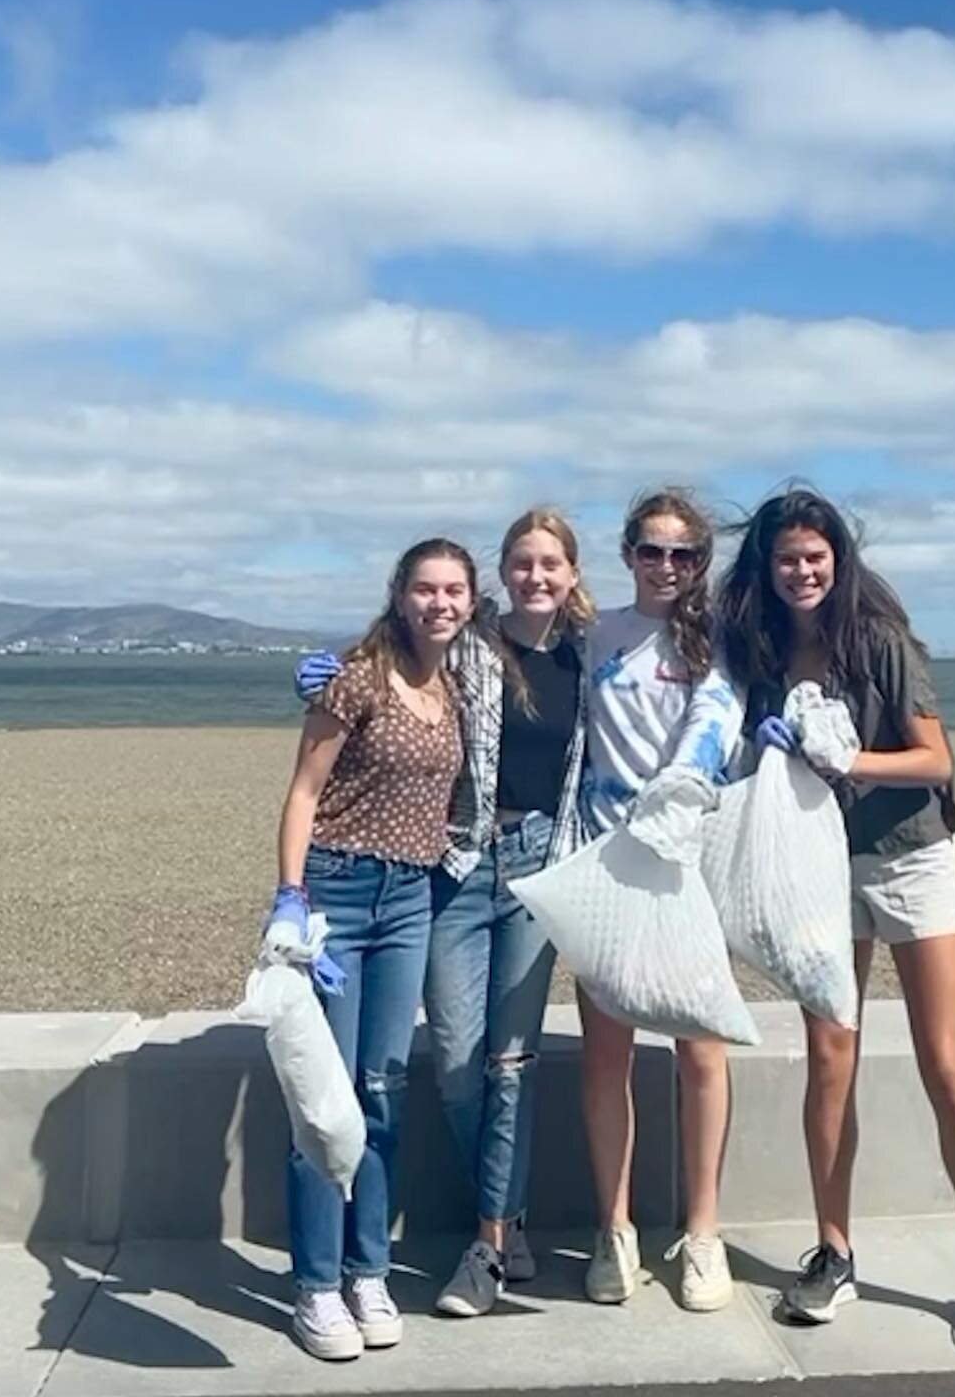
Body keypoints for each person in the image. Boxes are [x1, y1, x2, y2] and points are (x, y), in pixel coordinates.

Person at [714, 488, 955, 1355]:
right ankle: (835, 1250)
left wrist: (846, 756)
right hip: (818, 867)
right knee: (829, 1057)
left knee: (944, 1061)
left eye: (815, 557)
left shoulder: (878, 640)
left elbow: (935, 759)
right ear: (765, 568)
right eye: (786, 559)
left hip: (912, 858)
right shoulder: (762, 649)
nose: (802, 571)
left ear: (838, 560)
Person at [296, 509, 594, 1319]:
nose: (537, 577)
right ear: (503, 575)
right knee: (460, 1065)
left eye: (552, 565)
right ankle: (510, 1207)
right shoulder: (469, 645)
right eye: (523, 564)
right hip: (457, 868)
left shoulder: (590, 658)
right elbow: (393, 662)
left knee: (511, 1063)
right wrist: (318, 677)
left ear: (572, 576)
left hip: (540, 868)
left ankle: (492, 1238)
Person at [269, 538, 475, 1362]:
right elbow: (302, 792)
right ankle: (315, 1285)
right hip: (341, 894)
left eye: (454, 590)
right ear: (400, 594)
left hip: (413, 900)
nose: (440, 603)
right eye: (426, 589)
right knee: (327, 1100)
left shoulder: (459, 684)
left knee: (383, 1089)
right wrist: (293, 900)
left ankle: (368, 1271)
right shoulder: (354, 676)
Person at [578, 488, 744, 1313]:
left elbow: (714, 734)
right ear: (628, 554)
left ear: (701, 563)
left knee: (700, 1052)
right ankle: (614, 1229)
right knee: (607, 1055)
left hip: (690, 866)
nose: (667, 567)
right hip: (606, 866)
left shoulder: (720, 644)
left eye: (684, 554)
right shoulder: (595, 636)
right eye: (653, 550)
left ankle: (702, 1232)